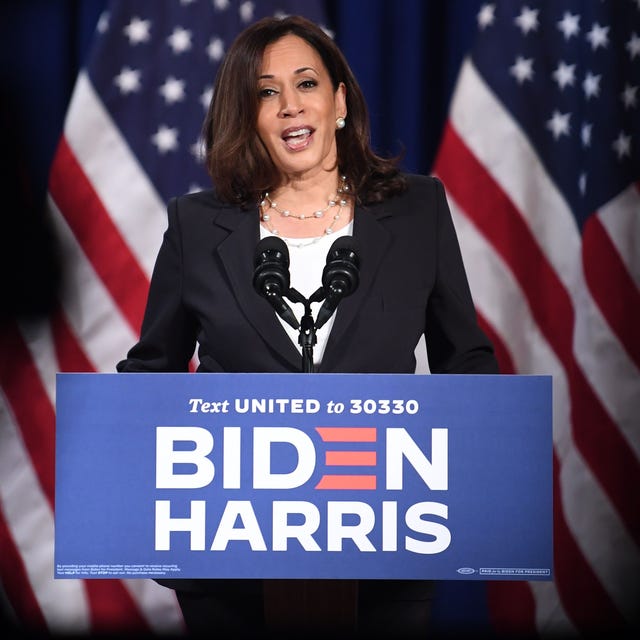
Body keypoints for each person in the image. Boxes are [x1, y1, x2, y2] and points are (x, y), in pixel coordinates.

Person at [117, 14, 499, 638]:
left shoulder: (417, 210)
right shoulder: (195, 223)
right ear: (249, 116)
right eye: (267, 93)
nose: (291, 106)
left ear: (340, 100)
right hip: (228, 555)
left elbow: (467, 363)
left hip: (386, 547)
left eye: (307, 84)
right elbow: (151, 372)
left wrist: (488, 473)